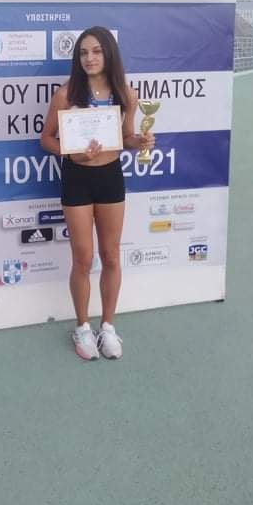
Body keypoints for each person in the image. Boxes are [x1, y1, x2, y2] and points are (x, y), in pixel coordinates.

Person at [40, 26, 154, 360]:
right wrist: (71, 152)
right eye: (83, 53)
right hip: (76, 178)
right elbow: (46, 139)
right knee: (83, 258)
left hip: (110, 177)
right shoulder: (66, 94)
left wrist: (140, 142)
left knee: (112, 256)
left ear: (109, 54)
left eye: (96, 51)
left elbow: (127, 137)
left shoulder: (126, 95)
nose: (89, 58)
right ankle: (82, 327)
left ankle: (108, 327)